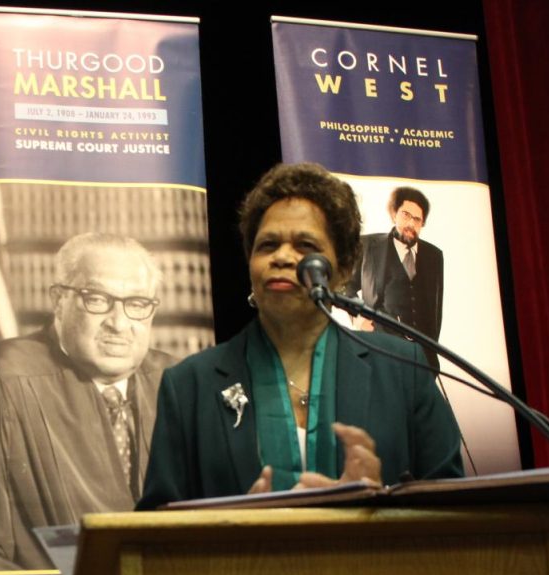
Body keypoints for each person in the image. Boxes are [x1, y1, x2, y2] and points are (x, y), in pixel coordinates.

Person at [138, 163, 461, 509]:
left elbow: (460, 516)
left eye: (305, 245)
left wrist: (378, 509)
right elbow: (154, 535)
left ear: (344, 270)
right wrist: (233, 529)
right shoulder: (188, 386)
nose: (281, 257)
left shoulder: (403, 370)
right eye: (267, 245)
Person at [0, 233, 174, 570]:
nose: (119, 323)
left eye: (137, 304)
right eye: (98, 299)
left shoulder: (175, 382)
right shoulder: (2, 378)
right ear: (58, 301)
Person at [345, 186, 444, 370]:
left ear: (422, 223)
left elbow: (435, 310)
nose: (411, 223)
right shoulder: (367, 246)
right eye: (405, 215)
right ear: (394, 214)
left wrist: (431, 351)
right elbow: (346, 286)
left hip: (422, 361)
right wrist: (358, 317)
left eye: (417, 219)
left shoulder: (434, 256)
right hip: (378, 352)